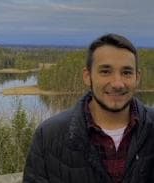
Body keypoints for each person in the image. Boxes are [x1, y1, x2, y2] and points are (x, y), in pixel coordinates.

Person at [23, 33, 154, 183]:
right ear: (87, 76)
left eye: (126, 73)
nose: (118, 83)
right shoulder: (48, 136)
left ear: (137, 78)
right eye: (105, 71)